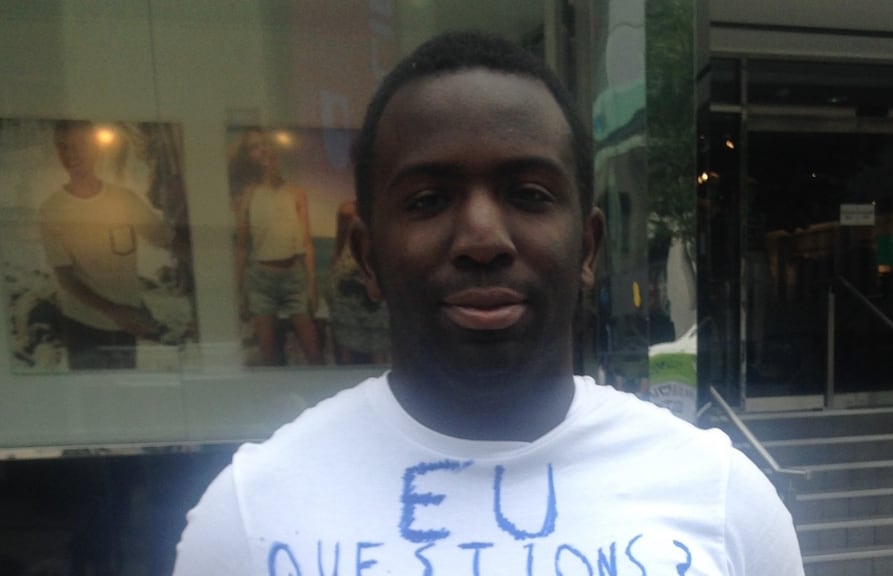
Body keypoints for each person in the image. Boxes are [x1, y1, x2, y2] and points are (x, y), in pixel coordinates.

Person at [174, 31, 803, 575]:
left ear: (587, 248)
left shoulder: (723, 503)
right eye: (427, 199)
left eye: (528, 193)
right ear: (367, 256)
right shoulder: (249, 519)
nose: (482, 239)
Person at [38, 120, 170, 370]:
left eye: (80, 146)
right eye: (63, 147)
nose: (71, 155)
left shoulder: (126, 200)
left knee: (124, 398)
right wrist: (118, 313)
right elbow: (65, 279)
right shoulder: (51, 210)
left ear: (97, 149)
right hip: (82, 326)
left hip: (125, 326)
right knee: (91, 401)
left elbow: (163, 238)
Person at [230, 128, 324, 366]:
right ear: (248, 156)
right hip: (261, 281)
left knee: (314, 353)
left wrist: (312, 288)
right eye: (254, 147)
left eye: (265, 144)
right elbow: (241, 248)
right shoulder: (247, 197)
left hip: (294, 277)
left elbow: (307, 244)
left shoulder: (295, 192)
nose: (262, 150)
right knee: (269, 356)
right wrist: (240, 292)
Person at [325, 199, 390, 364]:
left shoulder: (384, 210)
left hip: (372, 277)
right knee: (347, 344)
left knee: (378, 342)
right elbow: (340, 245)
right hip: (346, 282)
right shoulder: (348, 211)